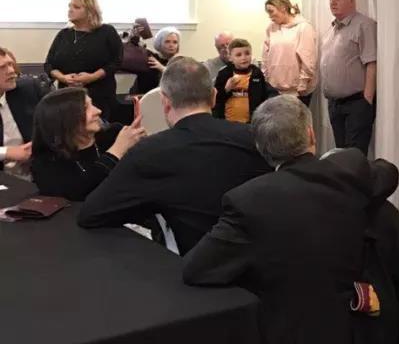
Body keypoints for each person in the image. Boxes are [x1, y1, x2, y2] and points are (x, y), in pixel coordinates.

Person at [183, 97, 399, 344]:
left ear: (261, 149)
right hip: (374, 331)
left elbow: (196, 269)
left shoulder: (249, 202)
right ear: (311, 135)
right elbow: (386, 172)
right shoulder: (358, 177)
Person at [79, 57, 272, 254]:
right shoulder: (255, 139)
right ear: (214, 96)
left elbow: (92, 213)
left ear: (165, 101)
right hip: (261, 256)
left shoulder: (150, 151)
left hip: (193, 262)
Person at [30, 88, 146, 201]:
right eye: (86, 108)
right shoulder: (46, 161)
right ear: (65, 119)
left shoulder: (114, 134)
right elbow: (78, 193)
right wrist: (117, 150)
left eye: (92, 104)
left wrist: (146, 142)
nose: (98, 111)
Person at [43, 0, 123, 120]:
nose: (70, 10)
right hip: (68, 96)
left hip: (99, 96)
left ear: (90, 11)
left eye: (76, 7)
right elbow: (49, 64)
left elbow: (116, 61)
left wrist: (92, 77)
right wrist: (63, 77)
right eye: (70, 6)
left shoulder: (106, 32)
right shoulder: (63, 34)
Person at [320, 0, 377, 151]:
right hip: (335, 104)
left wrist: (367, 100)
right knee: (341, 154)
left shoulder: (364, 25)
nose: (332, 2)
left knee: (354, 156)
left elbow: (371, 63)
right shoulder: (331, 29)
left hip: (356, 103)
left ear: (352, 1)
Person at [262, 0, 317, 105]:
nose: (270, 16)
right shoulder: (271, 28)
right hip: (274, 89)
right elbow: (266, 55)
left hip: (297, 91)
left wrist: (303, 82)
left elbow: (308, 57)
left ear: (283, 8)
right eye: (268, 13)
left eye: (271, 11)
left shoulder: (303, 27)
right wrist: (266, 77)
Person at [1, 46, 44, 178]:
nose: (11, 71)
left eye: (11, 64)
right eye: (2, 67)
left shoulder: (28, 90)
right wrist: (6, 152)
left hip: (35, 173)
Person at [212, 38, 276, 123]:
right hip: (228, 122)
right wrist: (226, 89)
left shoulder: (256, 73)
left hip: (252, 122)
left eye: (247, 53)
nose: (244, 58)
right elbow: (216, 100)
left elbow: (264, 95)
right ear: (230, 58)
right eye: (238, 55)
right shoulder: (224, 74)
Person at [132, 26, 181, 95]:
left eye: (175, 42)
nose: (171, 45)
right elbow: (134, 50)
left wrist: (162, 69)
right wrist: (135, 37)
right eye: (167, 42)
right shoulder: (151, 57)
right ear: (159, 43)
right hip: (144, 96)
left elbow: (182, 81)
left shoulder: (180, 61)